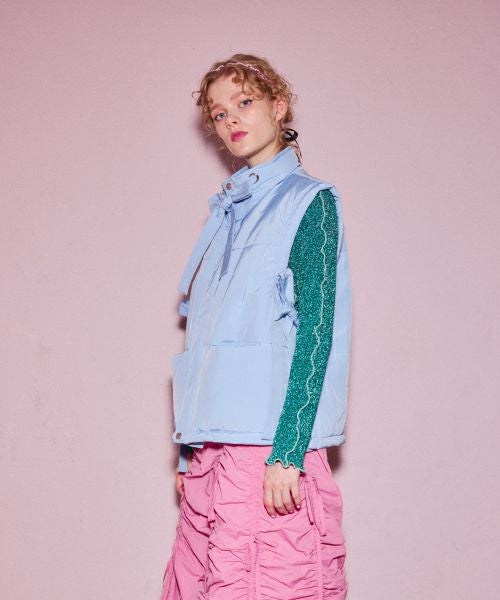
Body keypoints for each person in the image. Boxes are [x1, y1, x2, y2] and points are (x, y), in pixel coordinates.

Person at [161, 53, 352, 600]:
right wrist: (190, 450)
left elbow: (316, 330)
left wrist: (289, 451)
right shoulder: (229, 212)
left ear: (278, 105)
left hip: (267, 446)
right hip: (212, 447)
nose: (232, 120)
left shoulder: (308, 202)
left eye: (244, 102)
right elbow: (206, 338)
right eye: (219, 114)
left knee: (265, 583)